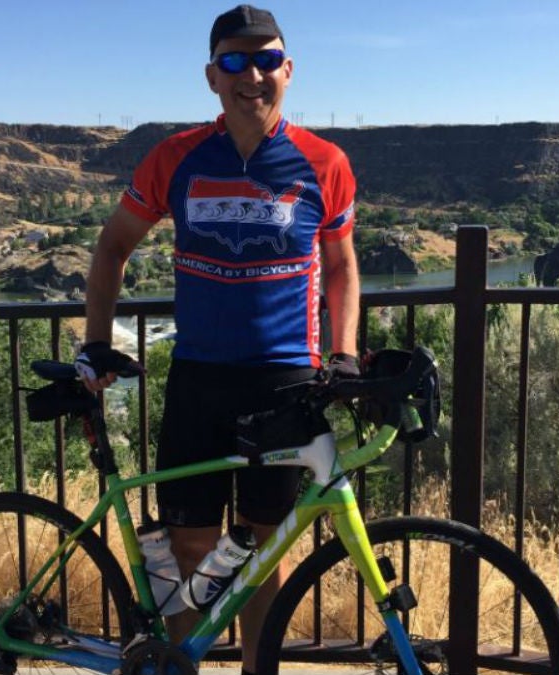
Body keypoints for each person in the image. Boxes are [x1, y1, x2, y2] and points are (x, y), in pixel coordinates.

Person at [77, 5, 360, 673]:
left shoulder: (325, 162)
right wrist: (93, 343)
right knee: (189, 548)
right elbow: (114, 246)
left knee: (265, 555)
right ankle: (184, 665)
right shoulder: (175, 157)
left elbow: (343, 266)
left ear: (288, 71)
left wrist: (344, 354)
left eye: (266, 59)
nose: (251, 74)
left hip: (286, 381)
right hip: (199, 377)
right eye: (235, 60)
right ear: (212, 76)